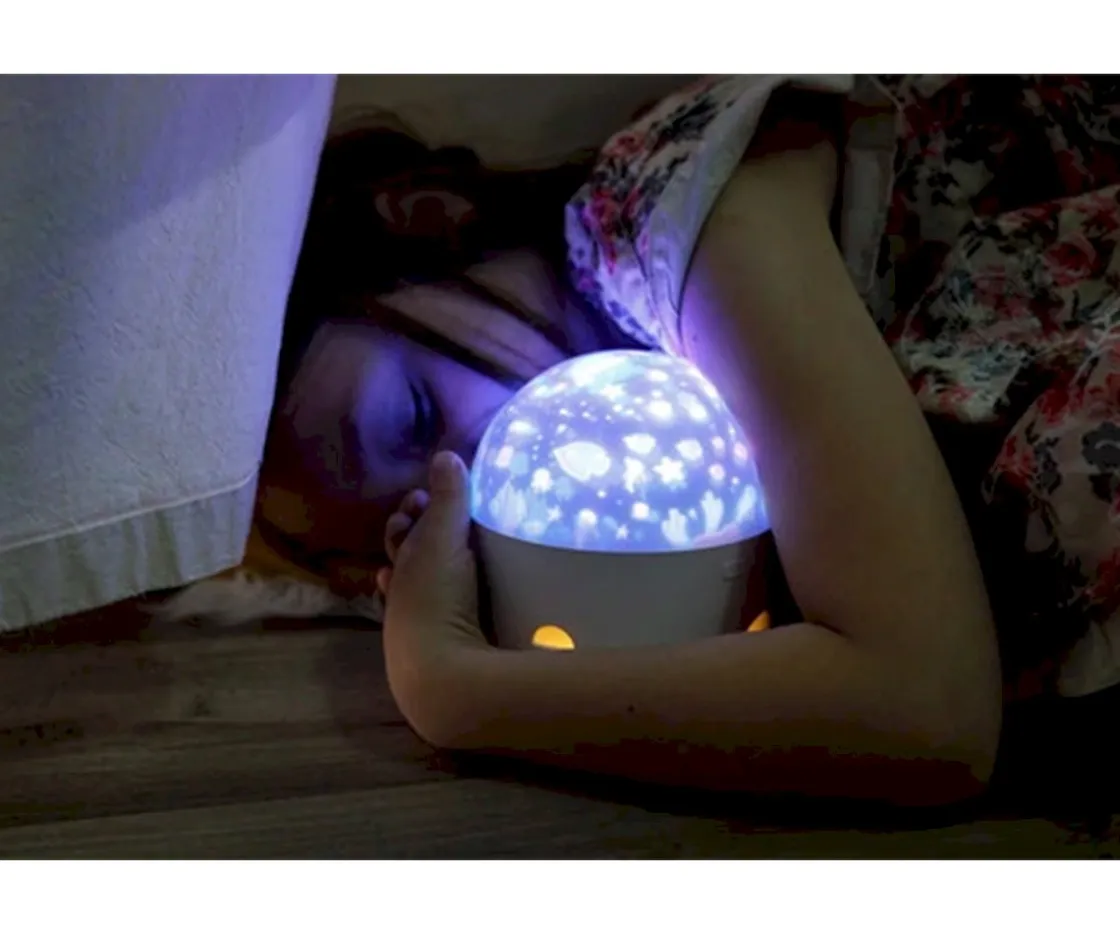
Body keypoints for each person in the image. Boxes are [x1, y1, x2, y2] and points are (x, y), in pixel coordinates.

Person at [259, 77, 1120, 805]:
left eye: (413, 415)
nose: (462, 490)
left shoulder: (670, 220)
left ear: (427, 217)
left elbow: (930, 709)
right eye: (403, 521)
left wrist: (451, 688)